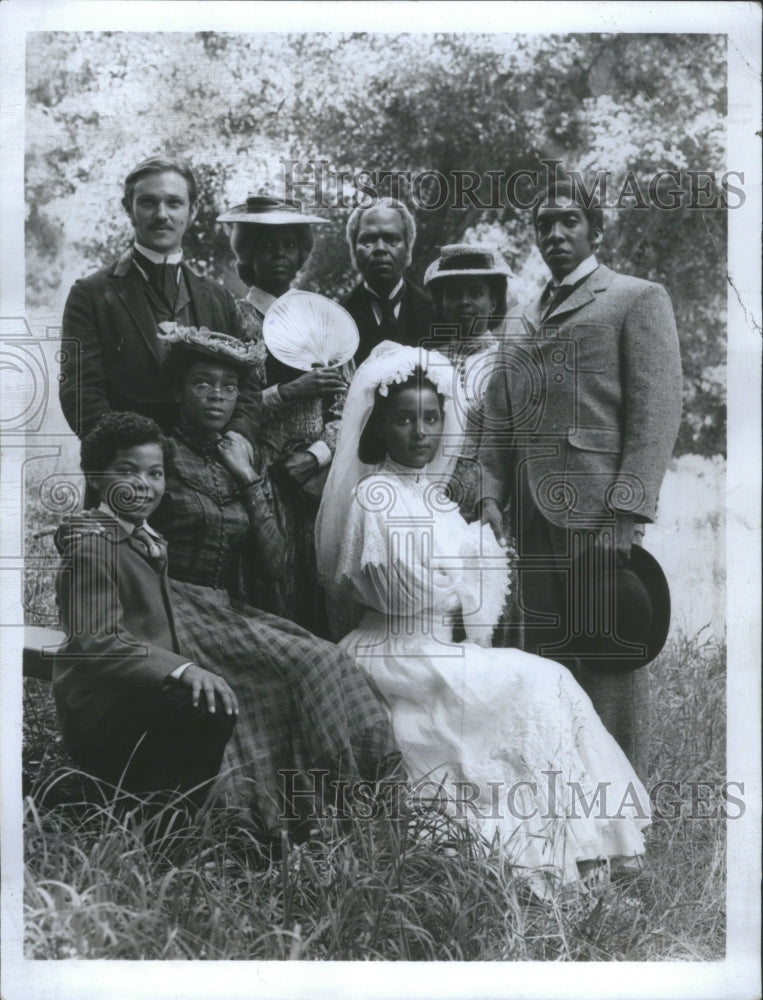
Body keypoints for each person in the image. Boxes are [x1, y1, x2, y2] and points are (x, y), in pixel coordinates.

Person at [316, 344, 651, 893]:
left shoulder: (438, 500)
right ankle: (564, 854)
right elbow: (406, 594)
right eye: (403, 419)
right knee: (537, 680)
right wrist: (462, 570)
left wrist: (479, 558)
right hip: (394, 650)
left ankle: (591, 848)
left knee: (550, 681)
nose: (420, 432)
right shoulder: (375, 496)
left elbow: (465, 599)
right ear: (378, 427)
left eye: (431, 418)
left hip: (434, 647)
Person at [145, 324, 400, 837]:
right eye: (202, 383)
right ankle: (253, 825)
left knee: (327, 661)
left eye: (227, 386)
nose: (217, 395)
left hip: (225, 607)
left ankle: (348, 813)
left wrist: (247, 477)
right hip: (168, 607)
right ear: (177, 391)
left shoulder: (240, 455)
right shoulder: (157, 456)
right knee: (285, 676)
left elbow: (275, 563)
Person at [478, 179, 683, 779]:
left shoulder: (634, 298)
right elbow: (498, 419)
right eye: (544, 225)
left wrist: (625, 511)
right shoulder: (519, 322)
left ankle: (623, 815)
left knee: (606, 660)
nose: (555, 235)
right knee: (541, 664)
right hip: (527, 521)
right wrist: (491, 496)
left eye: (569, 222)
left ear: (596, 229)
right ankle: (558, 807)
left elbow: (657, 413)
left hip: (597, 516)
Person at [54, 412, 237, 806]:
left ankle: (154, 808)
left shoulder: (146, 539)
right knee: (204, 709)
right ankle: (156, 825)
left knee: (212, 702)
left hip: (136, 691)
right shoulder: (92, 545)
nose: (143, 484)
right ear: (95, 477)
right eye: (126, 470)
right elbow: (97, 641)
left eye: (155, 473)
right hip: (99, 708)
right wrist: (183, 669)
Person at [59, 156, 258, 452]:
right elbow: (80, 392)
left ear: (192, 211)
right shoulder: (90, 294)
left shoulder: (219, 298)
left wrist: (238, 439)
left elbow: (247, 387)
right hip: (129, 471)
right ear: (129, 209)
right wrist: (126, 458)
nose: (161, 214)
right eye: (148, 202)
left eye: (174, 203)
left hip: (213, 471)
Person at [217, 195, 348, 633]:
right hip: (254, 470)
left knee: (316, 584)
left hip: (315, 484)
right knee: (266, 586)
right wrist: (289, 391)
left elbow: (346, 409)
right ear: (247, 252)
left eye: (289, 245)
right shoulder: (233, 319)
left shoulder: (324, 318)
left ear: (301, 254)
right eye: (266, 245)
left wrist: (316, 456)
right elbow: (226, 402)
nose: (278, 255)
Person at [342, 197, 435, 365]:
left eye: (391, 239)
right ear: (353, 251)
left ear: (408, 248)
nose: (380, 249)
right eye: (368, 240)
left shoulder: (436, 313)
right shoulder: (337, 317)